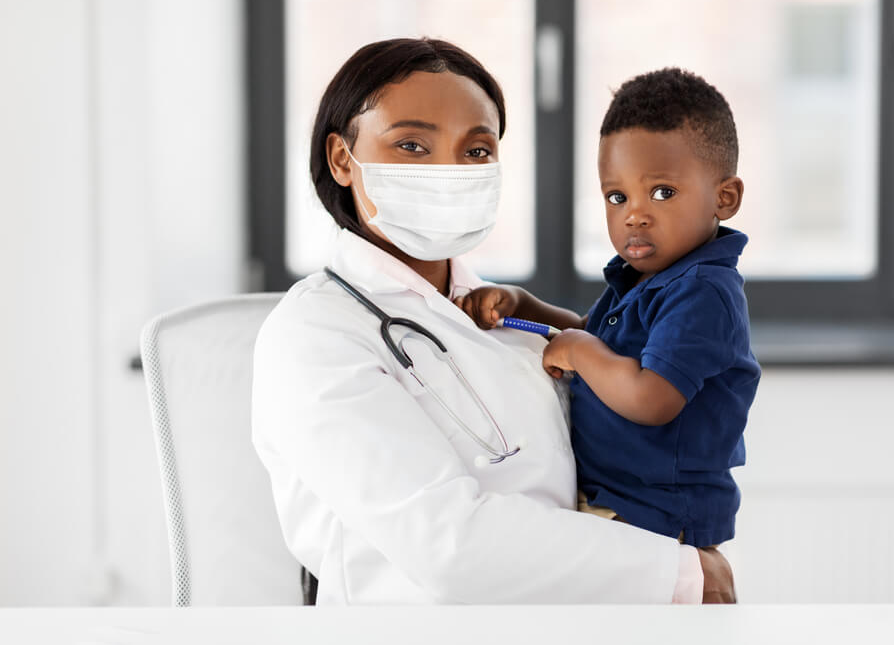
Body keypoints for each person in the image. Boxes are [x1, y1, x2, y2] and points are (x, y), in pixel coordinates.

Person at [252, 38, 734, 605]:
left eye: (476, 151)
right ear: (341, 159)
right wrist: (680, 575)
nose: (449, 172)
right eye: (412, 145)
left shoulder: (496, 315)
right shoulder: (314, 334)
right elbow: (447, 544)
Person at [457, 68, 760, 552]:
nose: (634, 214)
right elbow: (596, 340)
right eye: (616, 197)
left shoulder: (703, 291)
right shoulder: (644, 277)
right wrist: (523, 303)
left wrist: (577, 352)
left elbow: (651, 397)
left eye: (662, 192)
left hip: (659, 520)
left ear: (724, 198)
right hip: (619, 505)